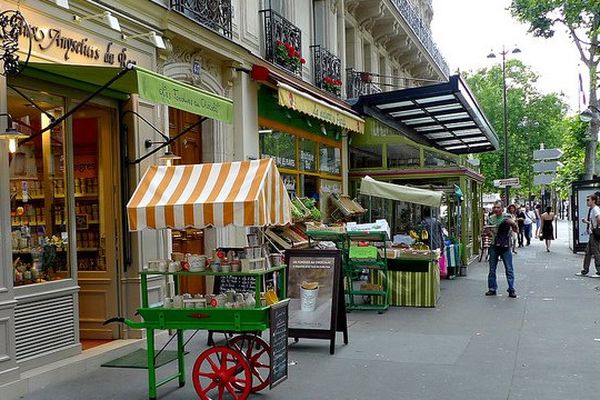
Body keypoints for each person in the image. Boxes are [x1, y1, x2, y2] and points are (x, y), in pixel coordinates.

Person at [486, 200, 518, 298]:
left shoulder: (507, 217)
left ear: (502, 209)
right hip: (494, 245)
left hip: (505, 246)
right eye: (494, 207)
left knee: (509, 268)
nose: (496, 209)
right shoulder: (490, 218)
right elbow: (488, 233)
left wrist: (512, 224)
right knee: (492, 268)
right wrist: (487, 231)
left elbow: (516, 229)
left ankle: (511, 288)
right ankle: (492, 288)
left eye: (498, 207)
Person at [576, 194, 600, 277]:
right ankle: (585, 270)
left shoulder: (595, 209)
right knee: (588, 252)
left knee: (596, 251)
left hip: (594, 233)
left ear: (593, 201)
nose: (587, 201)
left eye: (588, 200)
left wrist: (596, 228)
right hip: (592, 233)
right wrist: (587, 222)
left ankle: (599, 271)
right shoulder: (593, 209)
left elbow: (598, 219)